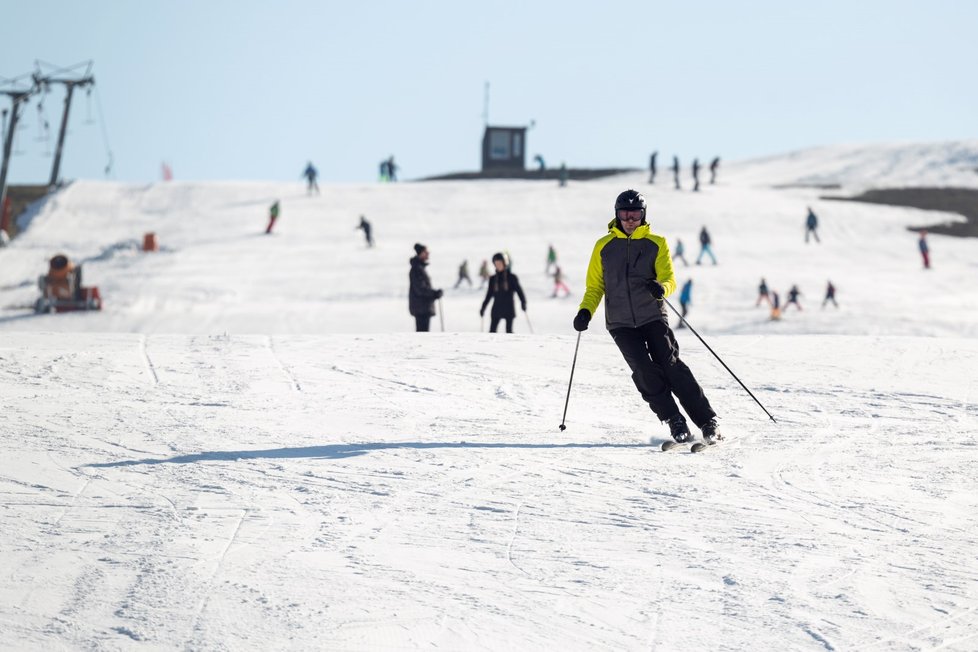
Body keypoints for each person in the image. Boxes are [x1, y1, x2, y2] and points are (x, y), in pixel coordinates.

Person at [573, 189, 721, 444]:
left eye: (635, 214)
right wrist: (585, 311)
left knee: (670, 366)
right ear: (617, 216)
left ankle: (708, 422)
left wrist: (661, 288)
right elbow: (595, 287)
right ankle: (675, 420)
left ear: (643, 215)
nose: (630, 219)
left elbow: (669, 279)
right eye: (625, 214)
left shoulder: (657, 243)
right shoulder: (603, 247)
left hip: (652, 315)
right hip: (620, 323)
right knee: (643, 370)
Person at [480, 253, 526, 333]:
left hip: (509, 308)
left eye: (500, 263)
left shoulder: (512, 277)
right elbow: (489, 295)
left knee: (509, 332)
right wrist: (483, 307)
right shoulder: (493, 279)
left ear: (505, 263)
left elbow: (519, 291)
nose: (498, 265)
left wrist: (523, 302)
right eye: (496, 263)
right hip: (496, 308)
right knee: (492, 332)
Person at [408, 243, 443, 332]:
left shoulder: (419, 268)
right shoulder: (417, 269)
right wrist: (434, 293)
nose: (428, 254)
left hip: (423, 307)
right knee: (422, 336)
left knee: (423, 335)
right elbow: (420, 289)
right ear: (421, 253)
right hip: (421, 308)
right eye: (426, 252)